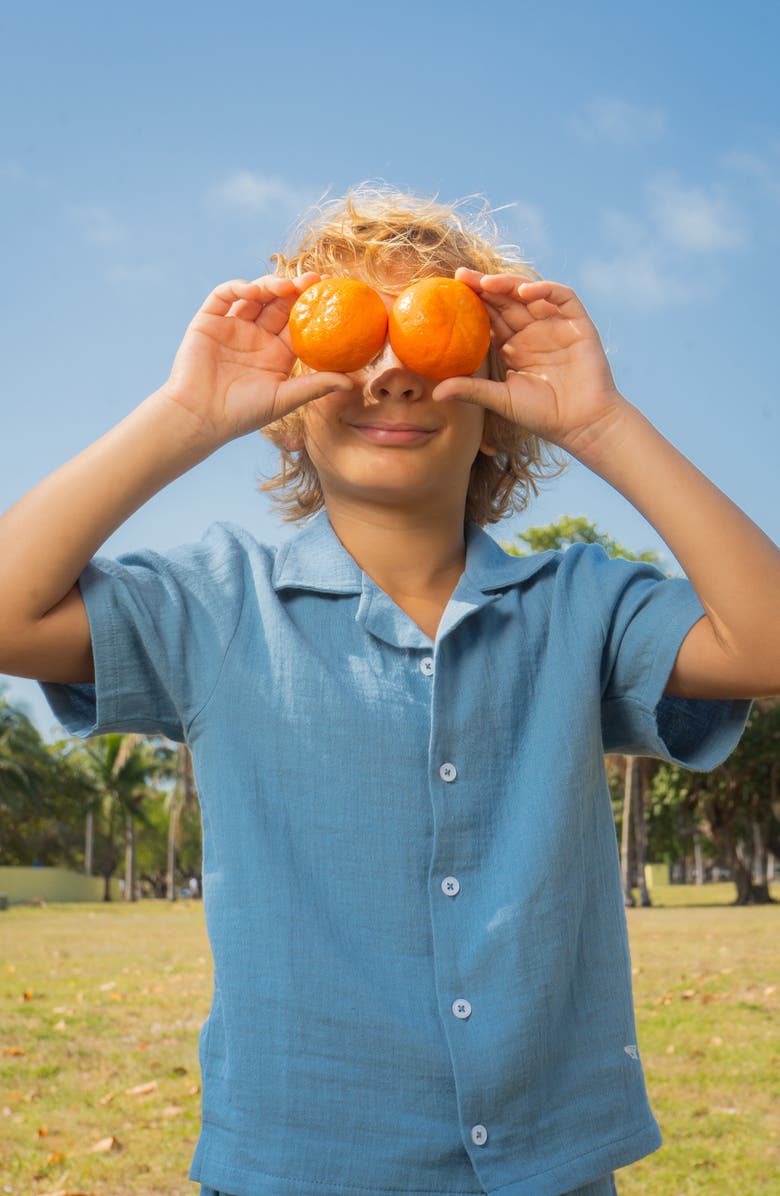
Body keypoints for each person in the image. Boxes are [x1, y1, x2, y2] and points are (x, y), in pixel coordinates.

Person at [0, 185, 777, 1196]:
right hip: (293, 1164)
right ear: (288, 406)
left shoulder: (577, 599)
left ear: (496, 403)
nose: (394, 371)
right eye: (352, 343)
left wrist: (601, 420)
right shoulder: (215, 602)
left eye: (430, 341)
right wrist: (187, 415)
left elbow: (764, 645)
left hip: (549, 1172)